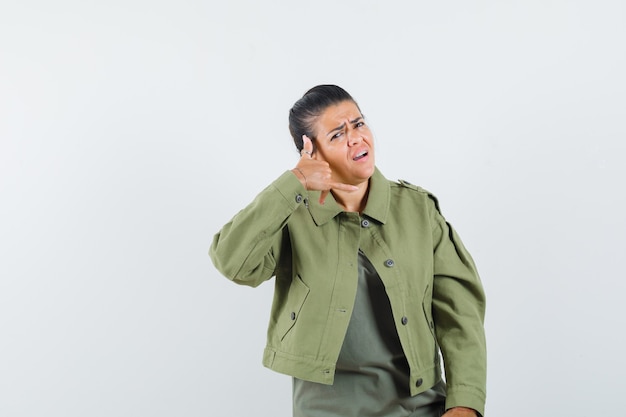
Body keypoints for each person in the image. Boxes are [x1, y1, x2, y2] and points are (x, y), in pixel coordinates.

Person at [209, 85, 487, 417]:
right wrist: (293, 182)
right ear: (311, 151)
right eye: (338, 135)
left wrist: (464, 404)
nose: (356, 138)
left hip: (419, 405)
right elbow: (231, 262)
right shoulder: (291, 216)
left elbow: (460, 312)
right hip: (324, 408)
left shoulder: (418, 210)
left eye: (358, 124)